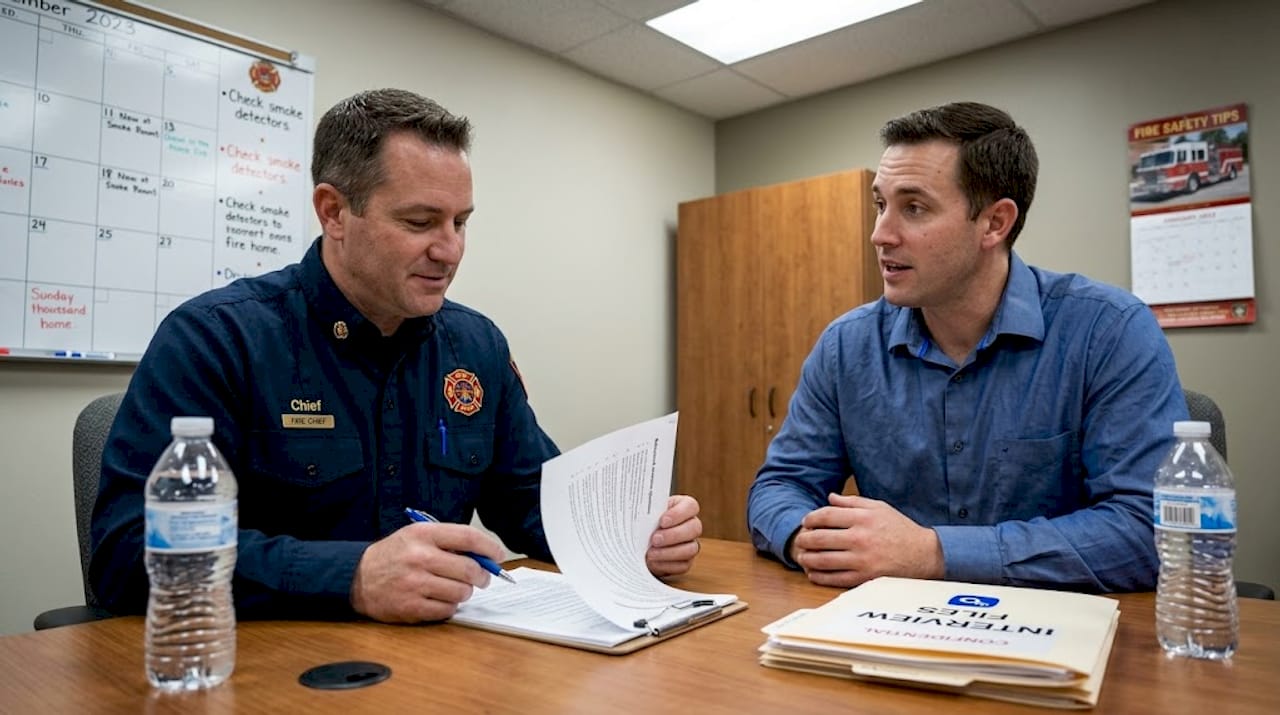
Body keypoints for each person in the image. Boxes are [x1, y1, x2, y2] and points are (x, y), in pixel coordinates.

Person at [90, 88, 703, 623]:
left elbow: (532, 506)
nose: (450, 250)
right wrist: (352, 577)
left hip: (440, 666)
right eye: (419, 222)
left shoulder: (476, 347)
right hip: (268, 669)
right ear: (334, 212)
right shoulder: (217, 339)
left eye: (461, 222)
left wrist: (629, 536)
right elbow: (126, 554)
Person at [746, 101, 1186, 593]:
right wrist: (807, 539)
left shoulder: (1110, 330)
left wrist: (934, 554)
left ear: (995, 223)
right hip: (888, 620)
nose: (880, 234)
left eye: (914, 208)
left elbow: (1150, 529)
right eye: (880, 205)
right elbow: (780, 486)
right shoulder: (845, 347)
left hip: (1055, 624)